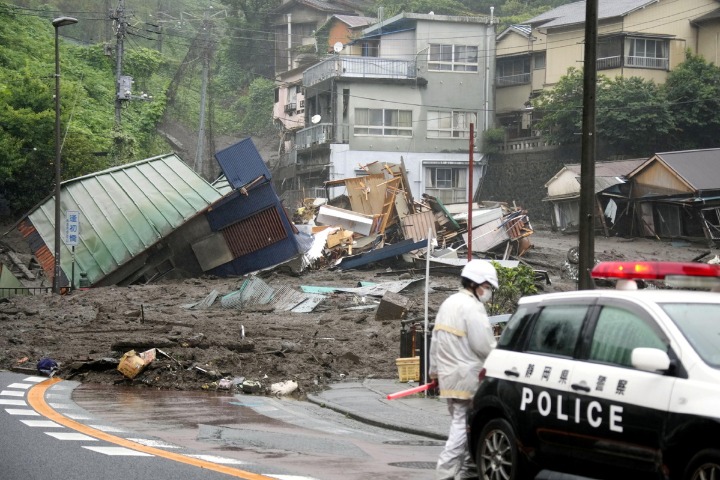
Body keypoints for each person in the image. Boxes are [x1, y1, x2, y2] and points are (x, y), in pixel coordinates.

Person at [429, 259, 498, 480]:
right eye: (486, 287)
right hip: (467, 379)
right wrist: (500, 359)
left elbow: (435, 341)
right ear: (475, 283)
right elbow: (484, 345)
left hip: (449, 378)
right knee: (462, 426)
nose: (487, 292)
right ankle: (445, 473)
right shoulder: (473, 307)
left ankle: (470, 469)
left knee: (467, 425)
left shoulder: (449, 303)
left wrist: (434, 372)